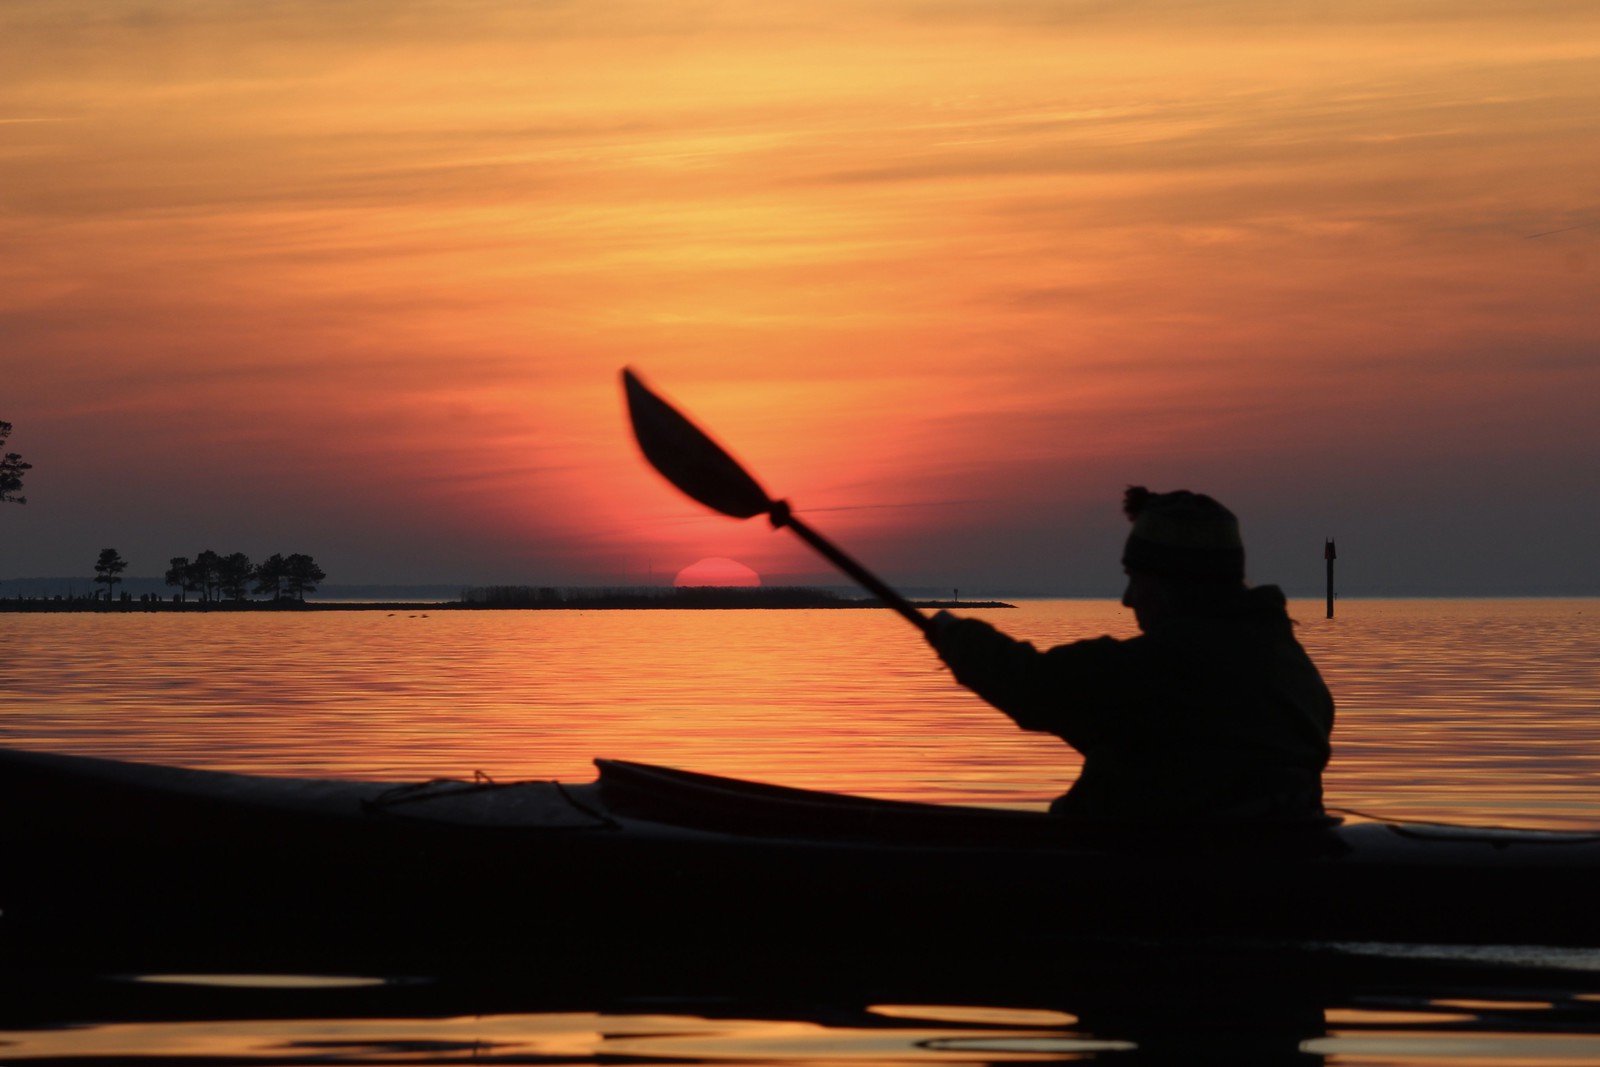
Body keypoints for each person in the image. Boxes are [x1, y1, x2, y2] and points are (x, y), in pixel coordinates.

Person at [928, 486, 1333, 822]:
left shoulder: (1159, 671)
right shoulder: (1294, 670)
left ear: (1169, 584)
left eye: (1134, 579)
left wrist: (953, 634)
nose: (1127, 600)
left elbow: (1034, 684)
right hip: (1271, 860)